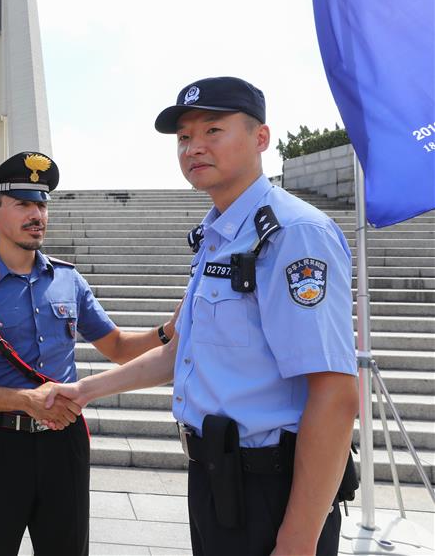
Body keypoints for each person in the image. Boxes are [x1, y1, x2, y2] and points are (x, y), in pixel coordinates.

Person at [45, 77, 359, 556]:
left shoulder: (293, 235)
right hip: (217, 478)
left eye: (213, 130)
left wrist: (298, 541)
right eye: (184, 137)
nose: (194, 147)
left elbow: (335, 394)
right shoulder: (218, 236)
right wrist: (85, 390)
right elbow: (181, 352)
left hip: (273, 488)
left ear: (260, 138)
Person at [0, 151, 178, 556]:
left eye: (41, 204)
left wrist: (167, 332)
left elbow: (118, 347)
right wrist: (24, 400)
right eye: (22, 204)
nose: (36, 214)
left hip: (63, 443)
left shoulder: (68, 279)